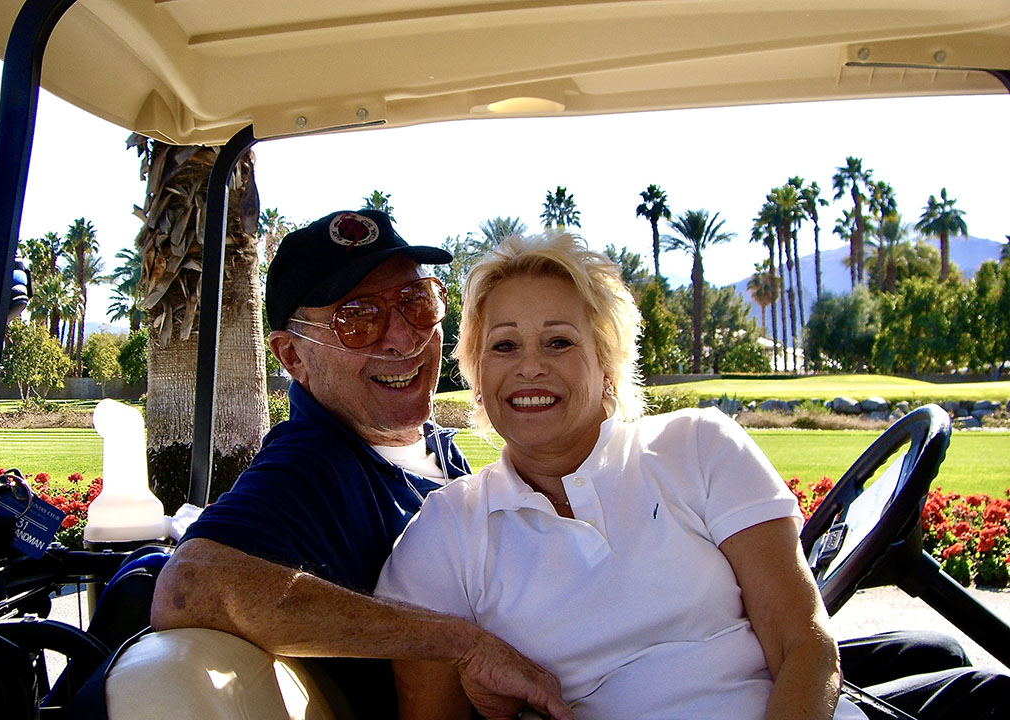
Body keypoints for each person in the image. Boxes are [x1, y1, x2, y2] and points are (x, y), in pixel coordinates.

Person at [374, 233, 1009, 719]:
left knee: (983, 688)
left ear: (607, 363)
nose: (529, 367)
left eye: (560, 342)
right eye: (504, 345)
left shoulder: (696, 446)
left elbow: (802, 644)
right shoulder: (446, 533)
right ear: (477, 375)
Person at [149, 210, 575, 720]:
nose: (402, 338)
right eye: (357, 318)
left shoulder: (432, 447)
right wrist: (460, 643)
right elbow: (188, 586)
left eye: (417, 303)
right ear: (292, 358)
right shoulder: (310, 466)